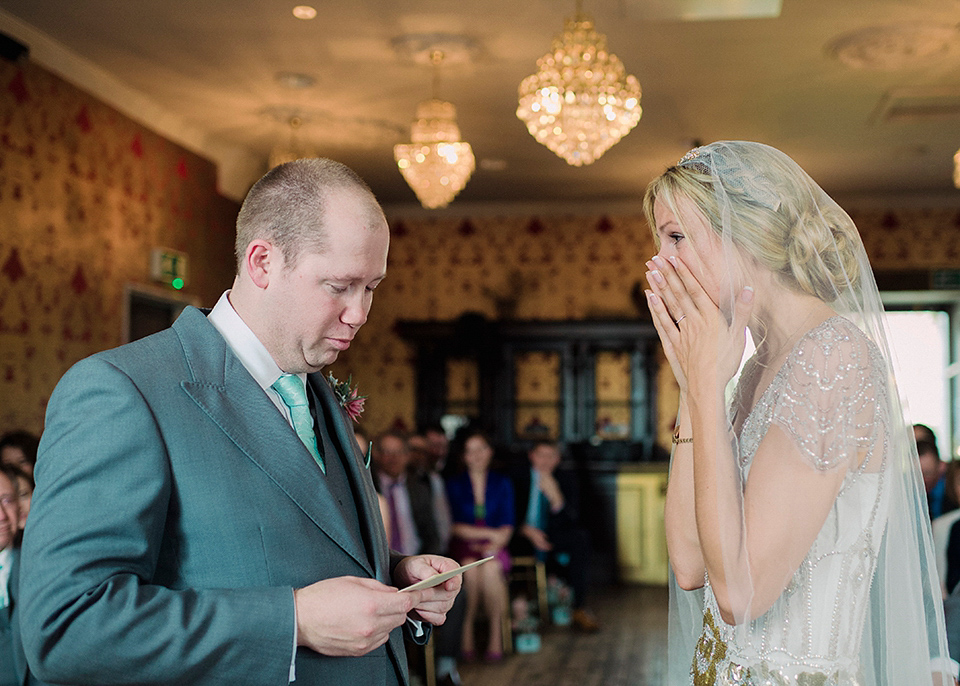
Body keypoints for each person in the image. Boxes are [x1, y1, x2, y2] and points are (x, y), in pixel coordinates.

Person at [20, 158, 461, 686]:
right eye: (340, 285)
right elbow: (67, 628)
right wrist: (291, 621)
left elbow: (287, 543)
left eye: (372, 287)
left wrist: (392, 575)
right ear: (261, 262)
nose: (360, 313)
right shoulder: (122, 391)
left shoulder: (315, 385)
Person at [643, 141, 951, 684]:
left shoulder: (833, 360)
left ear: (743, 233)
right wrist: (696, 388)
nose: (660, 263)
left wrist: (706, 389)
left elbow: (740, 594)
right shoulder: (752, 368)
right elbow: (690, 565)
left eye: (675, 237)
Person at [510, 440, 599, 632]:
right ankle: (520, 603)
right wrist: (526, 530)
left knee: (580, 539)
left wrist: (557, 498)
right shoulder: (517, 476)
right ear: (531, 456)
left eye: (551, 456)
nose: (546, 461)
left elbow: (572, 519)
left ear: (558, 459)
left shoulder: (566, 478)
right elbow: (507, 513)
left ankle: (578, 606)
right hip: (521, 534)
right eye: (541, 455)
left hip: (552, 535)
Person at [446, 430, 514, 662]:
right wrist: (488, 533)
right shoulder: (453, 484)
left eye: (481, 449)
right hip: (463, 546)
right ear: (464, 456)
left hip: (495, 546)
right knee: (469, 570)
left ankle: (496, 635)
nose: (476, 455)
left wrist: (496, 539)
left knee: (492, 569)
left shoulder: (502, 483)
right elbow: (454, 527)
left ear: (489, 452)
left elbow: (507, 526)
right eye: (470, 450)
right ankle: (466, 636)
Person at [372, 431, 440, 557]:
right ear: (377, 455)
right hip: (380, 563)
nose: (393, 458)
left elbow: (431, 533)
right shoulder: (369, 487)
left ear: (407, 456)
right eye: (387, 452)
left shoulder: (419, 488)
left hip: (416, 559)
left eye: (399, 452)